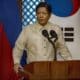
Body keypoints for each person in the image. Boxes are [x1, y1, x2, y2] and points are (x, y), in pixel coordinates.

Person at [13, 2, 72, 73]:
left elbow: (63, 48)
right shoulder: (28, 30)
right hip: (33, 71)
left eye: (44, 13)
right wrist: (16, 63)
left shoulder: (56, 29)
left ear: (49, 15)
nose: (41, 16)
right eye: (38, 13)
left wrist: (71, 63)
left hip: (51, 70)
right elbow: (18, 48)